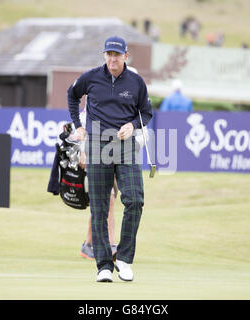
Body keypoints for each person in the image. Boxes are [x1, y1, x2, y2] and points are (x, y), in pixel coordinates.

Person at [67, 36, 153, 282]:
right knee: (100, 207)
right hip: (96, 144)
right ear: (104, 55)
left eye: (117, 54)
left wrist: (132, 124)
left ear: (126, 56)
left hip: (125, 146)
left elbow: (146, 113)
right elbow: (72, 96)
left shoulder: (136, 81)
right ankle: (103, 265)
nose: (113, 59)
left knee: (135, 200)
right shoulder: (91, 77)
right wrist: (78, 126)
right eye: (109, 54)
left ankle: (124, 259)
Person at [75, 107, 118, 260]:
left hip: (113, 153)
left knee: (103, 202)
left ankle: (88, 244)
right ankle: (111, 245)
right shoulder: (96, 88)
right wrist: (83, 150)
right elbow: (83, 122)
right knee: (108, 199)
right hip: (94, 152)